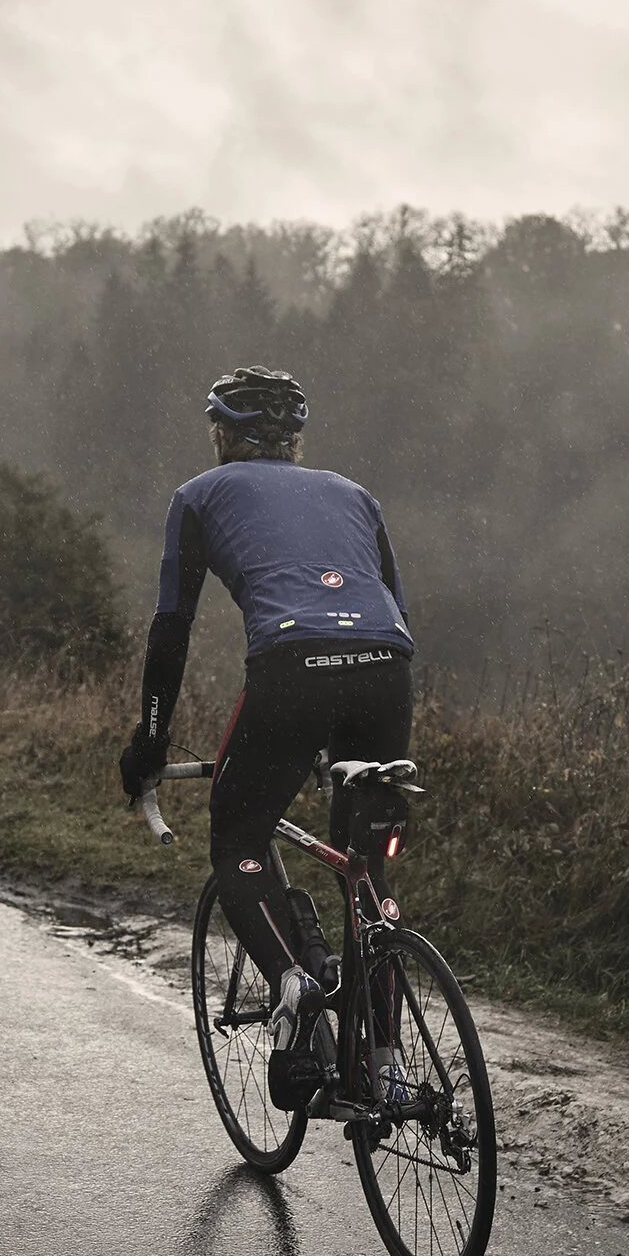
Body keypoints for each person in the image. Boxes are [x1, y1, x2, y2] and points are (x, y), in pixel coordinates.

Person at [118, 367, 415, 1107]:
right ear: (295, 440)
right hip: (385, 665)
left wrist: (149, 744)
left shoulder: (197, 497)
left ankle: (295, 978)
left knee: (239, 833)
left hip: (291, 666)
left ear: (221, 433)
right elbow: (392, 610)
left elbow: (169, 634)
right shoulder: (356, 495)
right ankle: (386, 1065)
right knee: (367, 866)